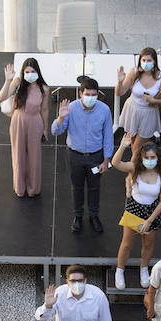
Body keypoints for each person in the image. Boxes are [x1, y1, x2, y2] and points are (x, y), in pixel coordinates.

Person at [52, 76, 114, 234]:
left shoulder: (104, 110)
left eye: (94, 95)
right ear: (80, 93)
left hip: (96, 156)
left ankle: (94, 216)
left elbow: (108, 136)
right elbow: (55, 131)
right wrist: (60, 118)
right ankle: (78, 216)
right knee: (77, 188)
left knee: (95, 188)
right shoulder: (71, 109)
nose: (91, 98)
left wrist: (107, 160)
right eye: (88, 94)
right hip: (75, 156)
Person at [113, 142, 161, 289]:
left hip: (152, 211)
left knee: (148, 244)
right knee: (127, 243)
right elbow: (116, 163)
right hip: (134, 209)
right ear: (141, 158)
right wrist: (123, 146)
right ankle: (119, 270)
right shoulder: (135, 168)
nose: (150, 160)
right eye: (147, 157)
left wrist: (150, 220)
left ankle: (144, 269)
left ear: (157, 158)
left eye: (152, 157)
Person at [0, 58, 50, 197]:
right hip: (18, 121)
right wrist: (8, 80)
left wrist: (45, 128)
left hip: (35, 122)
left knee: (34, 156)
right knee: (18, 154)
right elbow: (2, 97)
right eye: (27, 71)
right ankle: (20, 187)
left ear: (37, 72)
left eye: (33, 71)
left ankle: (33, 188)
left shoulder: (44, 88)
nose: (30, 74)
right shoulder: (18, 83)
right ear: (23, 72)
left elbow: (44, 110)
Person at [112, 47, 161, 168]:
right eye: (144, 60)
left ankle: (132, 172)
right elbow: (119, 92)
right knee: (133, 142)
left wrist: (153, 100)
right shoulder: (134, 72)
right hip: (132, 110)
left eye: (149, 60)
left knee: (138, 145)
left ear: (154, 61)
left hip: (149, 113)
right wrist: (120, 82)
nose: (146, 63)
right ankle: (138, 166)